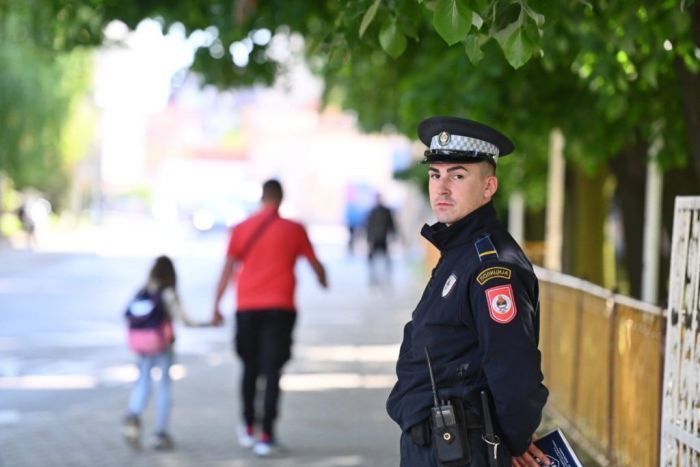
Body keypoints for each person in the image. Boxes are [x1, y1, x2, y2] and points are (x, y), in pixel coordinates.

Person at [386, 116, 550, 467]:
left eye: (457, 176)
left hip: (459, 450)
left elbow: (513, 369)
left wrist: (514, 440)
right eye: (435, 175)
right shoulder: (459, 252)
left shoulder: (492, 268)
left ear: (489, 186)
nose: (441, 188)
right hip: (436, 444)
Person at [211, 179, 327, 457]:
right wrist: (323, 279)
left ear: (262, 198)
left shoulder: (240, 228)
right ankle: (267, 434)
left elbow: (227, 268)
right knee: (272, 370)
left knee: (249, 367)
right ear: (281, 198)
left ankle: (248, 426)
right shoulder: (294, 229)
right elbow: (314, 264)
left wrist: (215, 306)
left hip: (246, 307)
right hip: (280, 308)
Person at [122, 255, 197, 450]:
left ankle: (134, 413)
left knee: (143, 381)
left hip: (141, 345)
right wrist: (209, 324)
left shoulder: (143, 290)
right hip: (162, 345)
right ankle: (160, 433)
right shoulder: (168, 292)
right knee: (164, 386)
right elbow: (184, 320)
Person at [365, 193, 397, 287]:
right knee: (373, 259)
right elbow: (369, 226)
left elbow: (391, 224)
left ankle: (386, 276)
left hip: (382, 238)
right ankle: (374, 278)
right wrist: (368, 238)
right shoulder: (373, 211)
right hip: (376, 238)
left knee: (385, 258)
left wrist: (394, 235)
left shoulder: (385, 211)